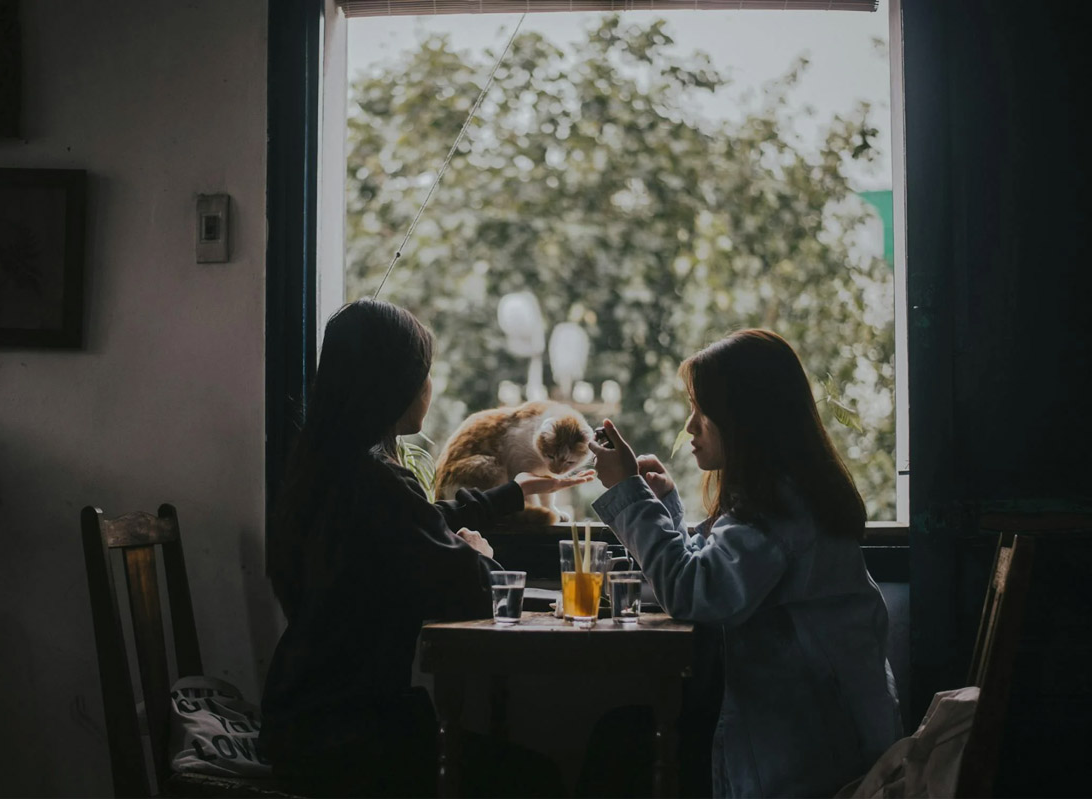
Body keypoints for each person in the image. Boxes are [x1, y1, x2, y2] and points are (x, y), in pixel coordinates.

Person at [260, 298, 590, 797]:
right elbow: (471, 592)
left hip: (302, 719)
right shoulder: (378, 484)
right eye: (424, 373)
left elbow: (420, 524)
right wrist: (480, 556)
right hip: (351, 742)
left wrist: (510, 494)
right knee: (537, 781)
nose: (429, 387)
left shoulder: (328, 471)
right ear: (394, 385)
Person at [587, 329, 901, 798]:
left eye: (701, 411)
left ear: (743, 419)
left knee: (623, 742)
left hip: (807, 754)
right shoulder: (784, 492)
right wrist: (666, 505)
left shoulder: (778, 507)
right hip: (806, 729)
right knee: (625, 734)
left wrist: (629, 493)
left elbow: (696, 591)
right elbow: (711, 568)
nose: (691, 426)